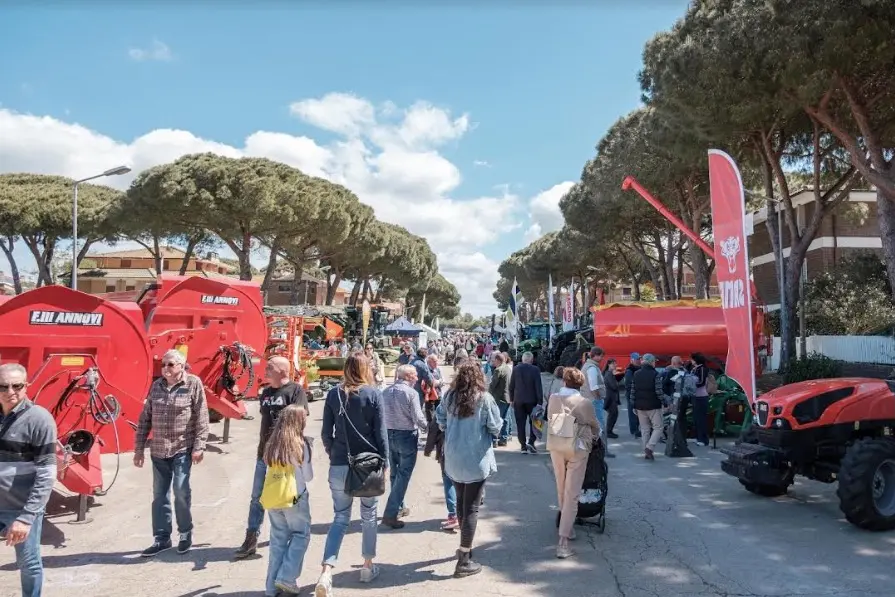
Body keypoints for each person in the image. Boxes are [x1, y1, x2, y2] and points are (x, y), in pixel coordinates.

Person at [315, 355, 389, 597]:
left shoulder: (333, 395)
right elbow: (381, 434)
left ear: (345, 369)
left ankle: (326, 571)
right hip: (367, 465)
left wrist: (333, 451)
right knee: (368, 516)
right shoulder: (373, 394)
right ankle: (367, 566)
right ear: (366, 369)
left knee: (339, 518)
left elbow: (326, 432)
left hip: (339, 464)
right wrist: (385, 463)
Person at [135, 349, 210, 557]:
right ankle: (162, 538)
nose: (165, 368)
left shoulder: (193, 384)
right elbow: (145, 418)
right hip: (158, 450)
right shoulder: (156, 386)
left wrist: (199, 446)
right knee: (159, 496)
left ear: (181, 366)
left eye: (170, 364)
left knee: (180, 491)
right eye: (163, 365)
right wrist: (139, 449)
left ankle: (185, 534)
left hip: (182, 449)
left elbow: (201, 416)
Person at [235, 356, 309, 559]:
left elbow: (301, 418)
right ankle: (251, 538)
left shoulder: (296, 391)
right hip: (263, 454)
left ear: (283, 371)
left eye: (270, 368)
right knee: (256, 497)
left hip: (285, 457)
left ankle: (291, 532)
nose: (265, 371)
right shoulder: (265, 393)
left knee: (287, 496)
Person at [436, 361, 502, 578]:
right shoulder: (484, 398)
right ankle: (464, 558)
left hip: (453, 457)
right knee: (471, 507)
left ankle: (465, 546)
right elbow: (495, 426)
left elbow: (440, 419)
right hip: (475, 459)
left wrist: (450, 429)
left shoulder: (449, 396)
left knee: (463, 504)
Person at [0, 363, 57, 597]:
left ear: (27, 386)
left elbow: (46, 473)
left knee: (29, 563)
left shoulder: (39, 419)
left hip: (20, 508)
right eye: (3, 386)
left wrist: (26, 517)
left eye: (17, 385)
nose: (10, 391)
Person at [547, 367, 600, 559]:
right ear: (581, 384)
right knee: (572, 493)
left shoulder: (553, 398)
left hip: (557, 442)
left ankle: (567, 528)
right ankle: (563, 541)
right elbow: (594, 425)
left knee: (561, 488)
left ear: (564, 381)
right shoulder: (583, 402)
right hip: (578, 446)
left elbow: (549, 417)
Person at [262, 405, 314, 596]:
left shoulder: (272, 444)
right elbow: (308, 476)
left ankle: (271, 588)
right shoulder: (301, 444)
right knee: (301, 535)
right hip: (295, 497)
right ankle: (286, 577)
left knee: (278, 542)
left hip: (273, 497)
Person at [381, 365, 427, 529]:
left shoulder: (386, 391)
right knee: (404, 474)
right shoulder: (411, 393)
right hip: (406, 435)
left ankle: (399, 507)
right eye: (415, 375)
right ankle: (391, 512)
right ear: (408, 376)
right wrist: (429, 429)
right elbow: (418, 416)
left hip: (389, 434)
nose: (417, 378)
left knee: (395, 472)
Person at [580, 346, 613, 458]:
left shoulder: (587, 366)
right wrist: (598, 397)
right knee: (600, 426)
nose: (602, 358)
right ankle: (603, 450)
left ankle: (594, 449)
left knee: (592, 426)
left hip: (588, 399)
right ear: (597, 355)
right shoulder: (592, 368)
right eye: (601, 356)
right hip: (594, 400)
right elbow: (594, 386)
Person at [508, 351, 543, 453]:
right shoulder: (535, 370)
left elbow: (512, 386)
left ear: (522, 359)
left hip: (518, 400)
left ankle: (523, 445)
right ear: (531, 360)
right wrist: (540, 401)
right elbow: (538, 386)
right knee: (534, 422)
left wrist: (511, 399)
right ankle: (531, 442)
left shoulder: (516, 369)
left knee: (520, 423)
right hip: (532, 400)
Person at [631, 354, 665, 460]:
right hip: (653, 405)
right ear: (651, 362)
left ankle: (646, 450)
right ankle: (650, 447)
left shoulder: (636, 374)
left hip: (640, 406)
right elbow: (659, 391)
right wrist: (664, 401)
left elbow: (633, 391)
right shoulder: (655, 374)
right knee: (658, 427)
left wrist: (633, 405)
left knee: (645, 429)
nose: (655, 363)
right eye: (654, 361)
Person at [488, 352, 512, 447]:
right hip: (507, 398)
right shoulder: (508, 369)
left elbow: (493, 385)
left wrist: (488, 394)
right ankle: (504, 439)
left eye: (494, 361)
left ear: (498, 360)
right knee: (505, 419)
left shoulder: (498, 370)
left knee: (496, 419)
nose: (493, 363)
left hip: (499, 398)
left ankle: (494, 440)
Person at [691, 353, 711, 446]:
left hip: (701, 396)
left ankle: (703, 439)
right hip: (696, 396)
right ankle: (698, 437)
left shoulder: (702, 369)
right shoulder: (695, 369)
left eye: (692, 359)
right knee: (696, 418)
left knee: (701, 418)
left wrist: (692, 385)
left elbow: (702, 382)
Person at [624, 353, 642, 438]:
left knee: (638, 412)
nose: (639, 361)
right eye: (637, 359)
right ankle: (634, 430)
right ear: (632, 360)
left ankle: (636, 428)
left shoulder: (639, 368)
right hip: (632, 394)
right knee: (632, 412)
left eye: (639, 359)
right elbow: (629, 384)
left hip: (637, 394)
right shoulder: (629, 371)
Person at [603, 359, 620, 439]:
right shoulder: (609, 374)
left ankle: (609, 431)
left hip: (610, 397)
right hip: (610, 398)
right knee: (613, 414)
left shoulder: (609, 374)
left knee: (613, 414)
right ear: (609, 365)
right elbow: (614, 386)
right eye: (613, 364)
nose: (615, 365)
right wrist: (616, 383)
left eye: (615, 364)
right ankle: (609, 431)